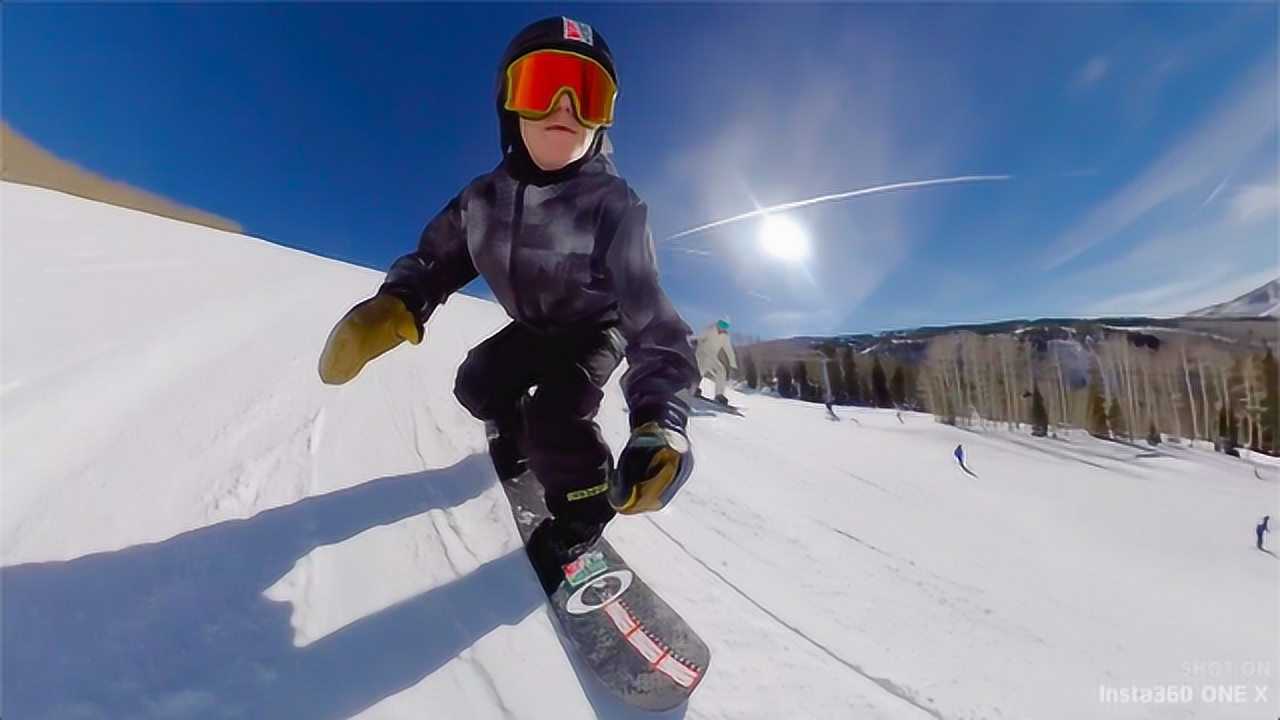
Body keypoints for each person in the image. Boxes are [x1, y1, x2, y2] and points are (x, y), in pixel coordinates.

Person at [317, 17, 699, 590]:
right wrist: (400, 301)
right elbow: (437, 259)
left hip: (595, 327)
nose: (566, 107)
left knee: (555, 420)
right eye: (544, 84)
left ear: (604, 116)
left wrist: (659, 420)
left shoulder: (613, 205)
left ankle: (584, 508)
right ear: (510, 105)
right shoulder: (483, 201)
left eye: (588, 94)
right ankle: (517, 435)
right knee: (476, 383)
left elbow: (650, 314)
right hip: (534, 325)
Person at [693, 319, 737, 405]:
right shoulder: (709, 329)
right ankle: (693, 387)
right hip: (702, 353)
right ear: (718, 324)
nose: (722, 328)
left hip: (712, 356)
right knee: (701, 370)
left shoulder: (725, 336)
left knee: (721, 370)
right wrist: (694, 342)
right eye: (721, 325)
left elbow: (728, 349)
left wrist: (733, 363)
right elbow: (700, 337)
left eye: (725, 327)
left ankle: (719, 395)